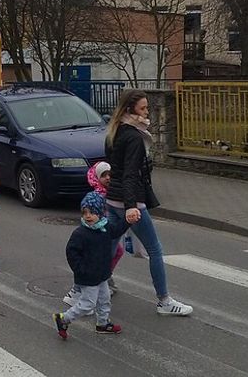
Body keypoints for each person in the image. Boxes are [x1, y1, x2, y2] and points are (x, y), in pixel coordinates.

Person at [105, 89, 193, 316]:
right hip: (130, 202)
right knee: (154, 249)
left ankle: (90, 286)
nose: (147, 112)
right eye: (143, 108)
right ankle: (164, 300)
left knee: (111, 244)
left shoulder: (115, 131)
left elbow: (115, 168)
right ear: (129, 109)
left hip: (113, 199)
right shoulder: (134, 137)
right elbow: (130, 174)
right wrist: (132, 205)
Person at [52, 192, 139, 339]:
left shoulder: (105, 228)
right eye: (85, 212)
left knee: (104, 300)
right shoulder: (80, 233)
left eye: (92, 212)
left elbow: (117, 230)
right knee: (87, 304)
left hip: (102, 274)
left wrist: (127, 220)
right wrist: (80, 269)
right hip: (87, 276)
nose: (88, 216)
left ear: (100, 212)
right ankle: (63, 319)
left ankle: (102, 323)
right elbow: (71, 252)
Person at [63, 161, 125, 306]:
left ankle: (104, 279)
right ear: (97, 177)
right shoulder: (97, 194)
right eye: (104, 175)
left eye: (110, 174)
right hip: (96, 235)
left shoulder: (111, 191)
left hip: (103, 232)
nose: (108, 178)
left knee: (116, 252)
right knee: (94, 259)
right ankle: (77, 290)